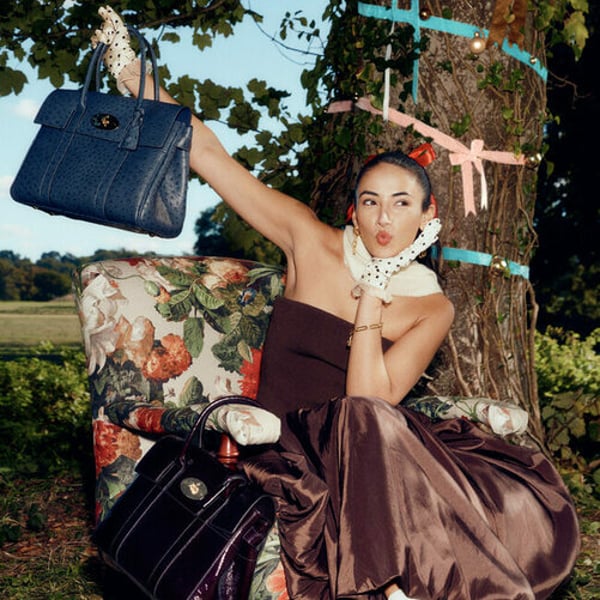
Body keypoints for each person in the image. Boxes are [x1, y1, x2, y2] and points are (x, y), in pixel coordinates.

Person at [91, 7, 580, 599]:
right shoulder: (310, 241)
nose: (384, 218)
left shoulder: (432, 307)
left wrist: (374, 292)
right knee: (359, 419)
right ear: (354, 210)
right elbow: (212, 156)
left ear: (428, 217)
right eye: (370, 201)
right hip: (288, 448)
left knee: (377, 424)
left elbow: (371, 399)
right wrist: (131, 74)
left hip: (376, 449)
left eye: (402, 203)